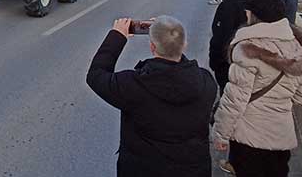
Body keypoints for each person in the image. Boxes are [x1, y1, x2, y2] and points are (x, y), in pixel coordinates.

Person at [87, 16, 218, 177]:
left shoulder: (133, 85)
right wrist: (168, 33)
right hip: (194, 169)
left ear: (152, 47)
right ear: (184, 45)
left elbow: (96, 75)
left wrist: (117, 36)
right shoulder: (205, 82)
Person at [212, 0, 302, 177]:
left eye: (248, 11)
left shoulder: (247, 49)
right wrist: (280, 100)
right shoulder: (296, 47)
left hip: (249, 139)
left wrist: (221, 134)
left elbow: (235, 100)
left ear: (253, 15)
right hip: (281, 137)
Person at [210, 0, 262, 92]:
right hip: (263, 72)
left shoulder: (229, 4)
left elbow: (220, 39)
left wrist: (217, 66)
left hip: (234, 71)